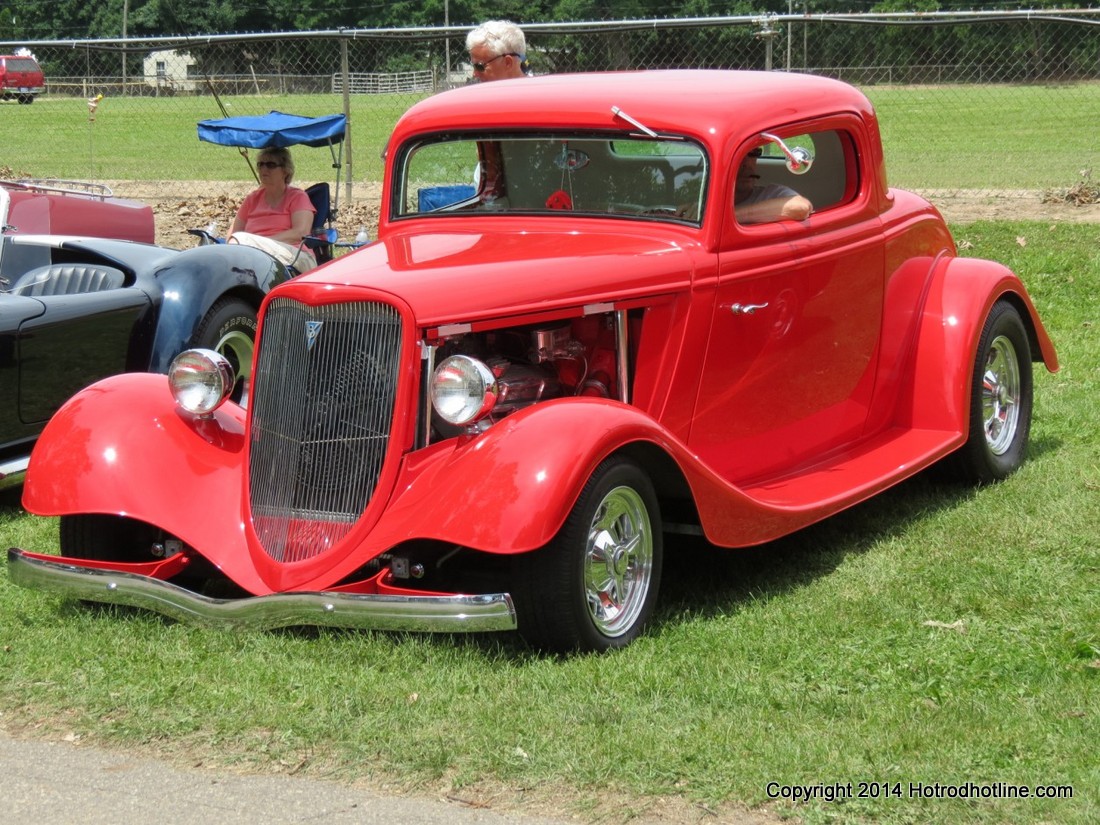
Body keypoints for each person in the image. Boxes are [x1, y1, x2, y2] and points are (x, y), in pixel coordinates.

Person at [227, 146, 317, 273]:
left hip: (295, 255)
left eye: (270, 165)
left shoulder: (298, 197)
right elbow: (232, 235)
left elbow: (300, 233)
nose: (264, 169)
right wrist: (257, 246)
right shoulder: (252, 199)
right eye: (260, 164)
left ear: (285, 170)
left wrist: (261, 243)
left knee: (240, 240)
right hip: (255, 254)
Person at [735, 147, 813, 224]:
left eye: (754, 153)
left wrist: (732, 216)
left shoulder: (769, 194)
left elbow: (801, 207)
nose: (747, 164)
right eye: (739, 155)